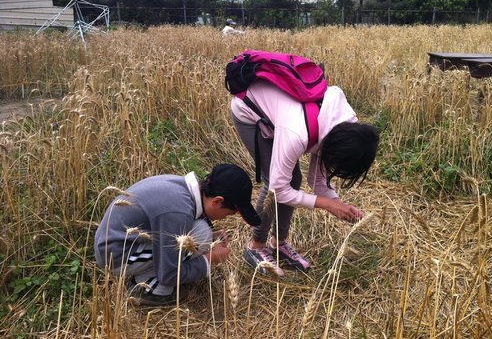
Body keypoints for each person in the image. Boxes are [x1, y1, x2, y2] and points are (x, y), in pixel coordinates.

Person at [230, 80, 379, 277]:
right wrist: (326, 204)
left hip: (280, 117)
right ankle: (256, 246)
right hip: (249, 109)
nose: (333, 169)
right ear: (333, 150)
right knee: (273, 182)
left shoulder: (341, 127)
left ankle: (278, 243)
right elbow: (278, 189)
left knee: (293, 179)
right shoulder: (297, 134)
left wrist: (338, 204)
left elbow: (317, 181)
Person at [94, 164, 261, 305]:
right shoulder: (177, 210)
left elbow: (169, 228)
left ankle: (145, 274)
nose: (225, 218)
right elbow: (169, 273)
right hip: (115, 257)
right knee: (200, 235)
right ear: (217, 201)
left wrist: (211, 236)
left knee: (202, 232)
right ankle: (149, 288)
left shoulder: (182, 190)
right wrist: (208, 260)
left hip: (120, 243)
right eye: (228, 214)